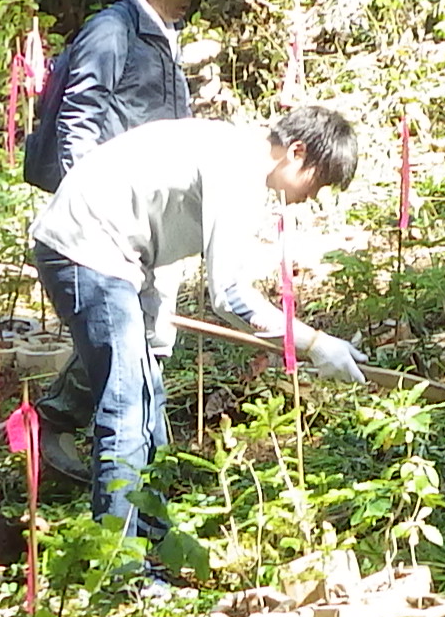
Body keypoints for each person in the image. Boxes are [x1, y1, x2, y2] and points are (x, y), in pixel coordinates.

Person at [27, 107, 367, 572]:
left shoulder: (230, 151)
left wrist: (155, 322)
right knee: (127, 410)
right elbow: (230, 295)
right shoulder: (239, 169)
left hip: (118, 258)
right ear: (296, 152)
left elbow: (159, 225)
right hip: (86, 249)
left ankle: (151, 542)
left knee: (150, 405)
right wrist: (312, 342)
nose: (312, 197)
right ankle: (118, 569)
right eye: (318, 182)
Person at [29, 0, 220, 439]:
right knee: (134, 331)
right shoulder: (113, 32)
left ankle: (128, 447)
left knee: (151, 332)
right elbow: (79, 117)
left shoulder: (157, 33)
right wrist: (89, 207)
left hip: (149, 209)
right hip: (117, 215)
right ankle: (66, 427)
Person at [27, 0, 217, 191]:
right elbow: (79, 119)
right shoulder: (111, 30)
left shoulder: (165, 34)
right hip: (115, 200)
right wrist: (87, 201)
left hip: (152, 199)